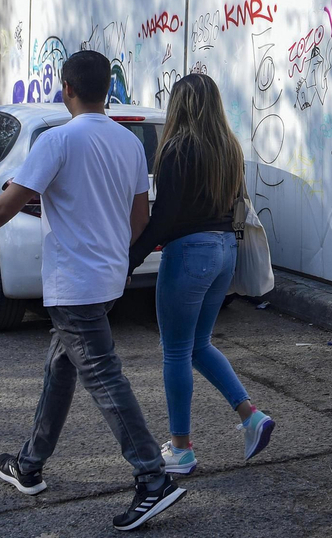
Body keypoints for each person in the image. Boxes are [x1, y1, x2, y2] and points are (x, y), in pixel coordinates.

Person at [0, 50, 184, 532]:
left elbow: (4, 209)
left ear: (65, 88)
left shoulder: (56, 141)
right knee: (60, 368)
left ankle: (153, 478)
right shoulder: (129, 144)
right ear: (107, 88)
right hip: (108, 279)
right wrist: (112, 254)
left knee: (105, 379)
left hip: (75, 285)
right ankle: (29, 465)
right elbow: (139, 220)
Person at [128, 72, 274, 476]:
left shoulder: (176, 149)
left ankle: (181, 449)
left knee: (176, 351)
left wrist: (129, 261)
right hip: (224, 251)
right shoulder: (228, 148)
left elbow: (162, 220)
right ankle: (251, 416)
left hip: (191, 254)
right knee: (199, 345)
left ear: (180, 106)